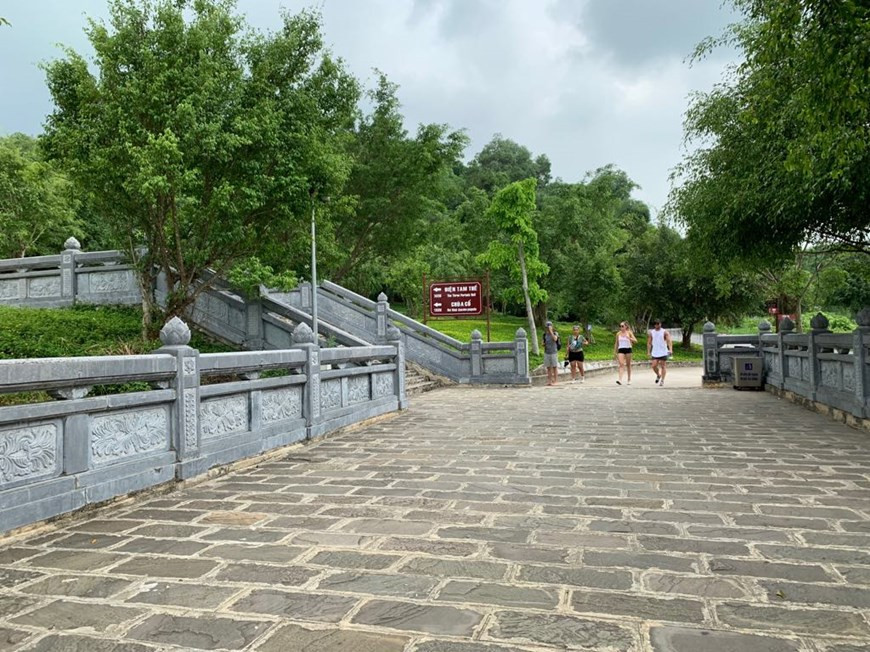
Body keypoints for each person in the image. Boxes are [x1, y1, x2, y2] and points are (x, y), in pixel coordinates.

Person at [647, 319, 673, 386]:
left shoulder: (664, 332)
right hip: (655, 352)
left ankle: (662, 380)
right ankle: (658, 375)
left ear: (660, 324)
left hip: (663, 351)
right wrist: (648, 352)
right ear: (654, 325)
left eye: (658, 324)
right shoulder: (651, 332)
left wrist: (670, 349)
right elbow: (649, 343)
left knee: (663, 366)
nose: (657, 325)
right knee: (653, 365)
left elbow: (669, 341)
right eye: (656, 324)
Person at [613, 320, 637, 385]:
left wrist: (629, 338)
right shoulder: (618, 334)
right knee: (621, 364)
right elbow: (616, 343)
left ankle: (629, 379)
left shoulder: (629, 332)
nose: (621, 327)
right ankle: (620, 379)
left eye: (622, 326)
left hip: (628, 349)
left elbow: (635, 341)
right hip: (621, 349)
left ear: (626, 326)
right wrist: (614, 352)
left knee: (628, 365)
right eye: (620, 326)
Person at [542, 321, 561, 386]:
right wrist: (543, 344)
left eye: (549, 326)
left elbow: (555, 339)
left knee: (555, 367)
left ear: (552, 326)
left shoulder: (555, 333)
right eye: (547, 327)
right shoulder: (544, 334)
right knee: (548, 368)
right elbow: (543, 342)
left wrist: (551, 332)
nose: (548, 328)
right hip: (547, 352)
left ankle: (555, 381)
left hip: (554, 352)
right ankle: (549, 381)